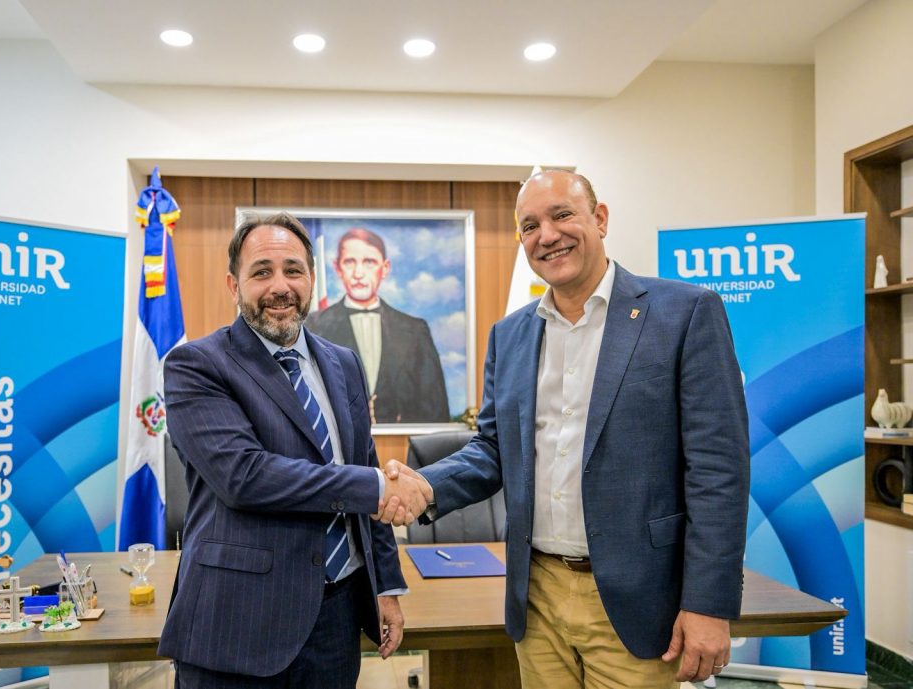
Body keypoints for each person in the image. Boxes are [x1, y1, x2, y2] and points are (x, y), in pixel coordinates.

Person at [381, 170, 750, 687]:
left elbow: (718, 470)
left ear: (600, 219)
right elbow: (493, 449)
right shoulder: (510, 335)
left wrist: (708, 604)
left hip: (637, 600)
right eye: (530, 226)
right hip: (537, 597)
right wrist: (426, 485)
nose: (547, 235)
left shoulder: (684, 313)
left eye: (561, 215)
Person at [158, 212, 431, 688]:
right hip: (237, 622)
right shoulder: (197, 365)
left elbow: (363, 465)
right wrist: (376, 487)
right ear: (234, 285)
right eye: (261, 272)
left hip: (336, 621)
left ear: (311, 280)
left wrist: (385, 585)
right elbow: (245, 476)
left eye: (293, 270)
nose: (280, 286)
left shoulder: (343, 363)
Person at [306, 227, 450, 424]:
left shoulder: (416, 330)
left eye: (369, 262)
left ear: (385, 268)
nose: (358, 273)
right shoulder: (313, 326)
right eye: (350, 262)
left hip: (404, 442)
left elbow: (436, 409)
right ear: (338, 268)